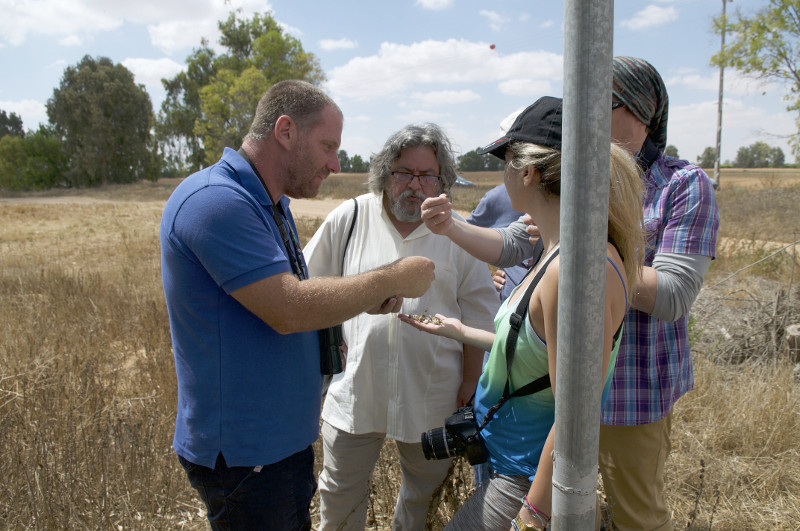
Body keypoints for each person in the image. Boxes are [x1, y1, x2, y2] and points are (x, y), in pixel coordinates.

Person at [421, 58, 720, 530]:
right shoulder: (568, 199)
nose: (587, 114)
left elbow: (674, 294)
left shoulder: (682, 185)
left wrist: (577, 266)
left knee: (636, 517)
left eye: (603, 102)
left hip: (631, 394)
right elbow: (517, 242)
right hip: (545, 391)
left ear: (641, 112)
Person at [160, 80, 437, 530]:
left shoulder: (269, 202)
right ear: (285, 131)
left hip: (279, 445)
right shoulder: (215, 202)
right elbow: (289, 309)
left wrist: (360, 298)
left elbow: (289, 291)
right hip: (245, 452)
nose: (335, 163)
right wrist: (393, 276)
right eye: (327, 146)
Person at [400, 95, 646, 530]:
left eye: (506, 161)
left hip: (527, 481)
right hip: (513, 465)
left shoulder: (572, 270)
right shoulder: (560, 253)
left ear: (529, 172)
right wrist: (462, 331)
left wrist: (532, 516)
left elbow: (575, 415)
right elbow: (538, 355)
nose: (502, 174)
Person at [304, 123, 500, 530]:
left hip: (432, 396)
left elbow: (479, 311)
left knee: (419, 499)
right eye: (404, 173)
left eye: (427, 175)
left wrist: (469, 381)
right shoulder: (351, 218)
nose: (415, 185)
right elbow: (307, 287)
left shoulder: (457, 232)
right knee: (339, 497)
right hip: (356, 390)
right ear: (384, 174)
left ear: (441, 181)